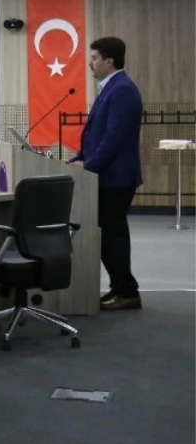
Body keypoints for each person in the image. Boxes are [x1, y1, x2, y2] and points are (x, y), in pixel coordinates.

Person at [71, 36, 144, 311]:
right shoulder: (111, 88)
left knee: (112, 235)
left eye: (94, 58)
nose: (90, 63)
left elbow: (113, 138)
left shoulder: (122, 89)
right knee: (108, 234)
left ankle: (126, 291)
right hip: (107, 175)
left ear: (108, 61)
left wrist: (88, 167)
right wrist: (79, 158)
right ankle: (121, 288)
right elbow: (96, 134)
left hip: (116, 177)